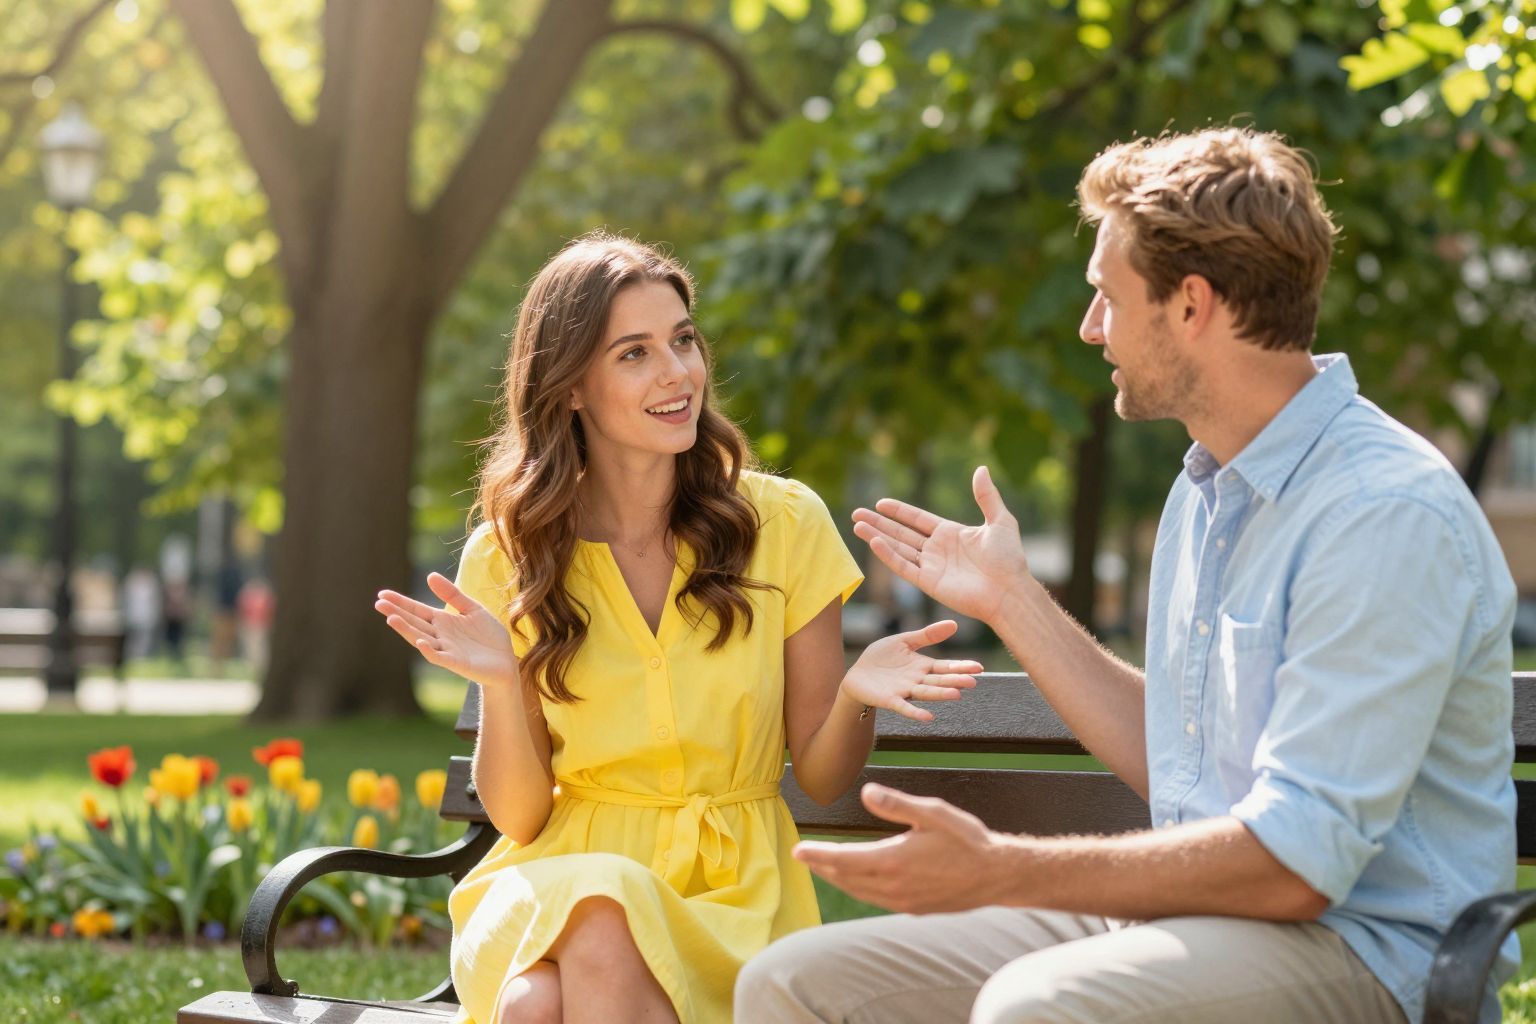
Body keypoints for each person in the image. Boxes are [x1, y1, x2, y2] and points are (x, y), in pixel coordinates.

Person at [735, 127, 1518, 1024]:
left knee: (1037, 1007)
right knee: (791, 983)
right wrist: (1013, 601)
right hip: (1191, 921)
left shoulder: (1382, 515)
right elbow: (1178, 764)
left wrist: (1003, 869)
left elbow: (1297, 868)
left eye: (1107, 296)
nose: (1089, 326)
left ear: (1191, 305)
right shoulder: (1206, 490)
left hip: (1367, 953)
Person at [372, 232, 983, 1024]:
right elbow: (520, 819)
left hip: (734, 897)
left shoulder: (783, 523)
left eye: (684, 341)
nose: (677, 373)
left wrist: (855, 696)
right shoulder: (510, 554)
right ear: (571, 387)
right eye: (635, 353)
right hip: (561, 876)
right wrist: (497, 680)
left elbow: (824, 777)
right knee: (595, 922)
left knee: (534, 1006)